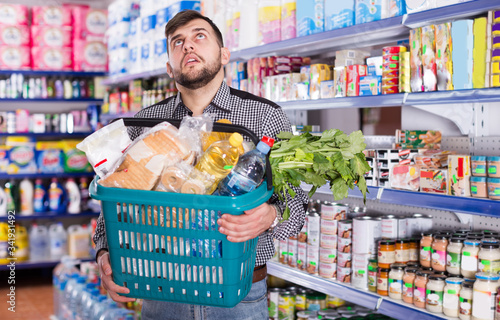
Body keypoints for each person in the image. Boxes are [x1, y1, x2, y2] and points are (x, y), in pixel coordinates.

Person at [93, 9, 309, 320]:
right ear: (169, 67)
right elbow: (113, 201)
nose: (188, 46)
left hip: (239, 294)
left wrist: (270, 216)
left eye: (199, 36)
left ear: (224, 55)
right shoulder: (146, 124)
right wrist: (103, 253)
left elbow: (298, 206)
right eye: (177, 42)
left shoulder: (264, 117)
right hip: (161, 289)